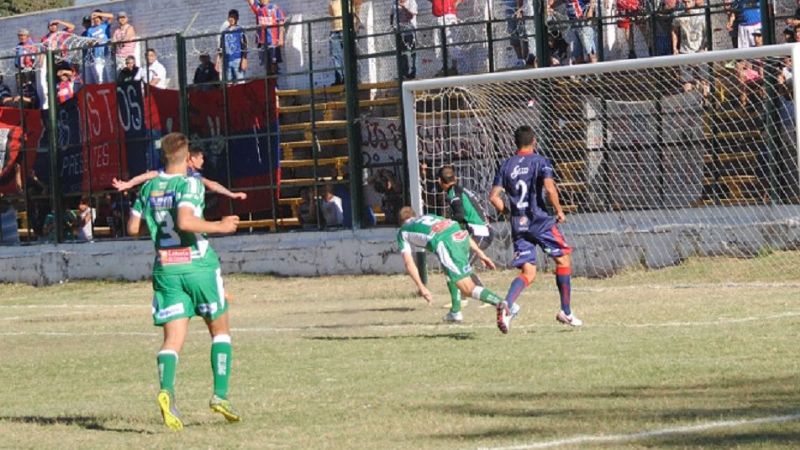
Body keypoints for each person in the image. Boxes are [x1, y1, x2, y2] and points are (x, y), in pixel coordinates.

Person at [126, 132, 241, 431]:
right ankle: (220, 395)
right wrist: (221, 226)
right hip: (198, 264)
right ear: (187, 155)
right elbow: (186, 222)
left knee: (172, 340)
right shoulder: (188, 183)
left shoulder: (149, 186)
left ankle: (166, 391)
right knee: (220, 330)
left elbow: (132, 227)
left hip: (166, 267)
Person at [488, 125, 582, 332]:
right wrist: (559, 210)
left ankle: (508, 305)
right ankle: (565, 311)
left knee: (528, 272)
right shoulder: (540, 161)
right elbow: (549, 189)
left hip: (518, 223)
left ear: (516, 143)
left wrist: (508, 212)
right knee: (563, 259)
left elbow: (493, 197)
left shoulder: (506, 165)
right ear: (534, 141)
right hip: (539, 221)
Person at [396, 206, 511, 330]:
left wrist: (421, 287)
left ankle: (501, 303)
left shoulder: (403, 231)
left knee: (467, 288)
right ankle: (455, 312)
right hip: (460, 236)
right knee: (450, 273)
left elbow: (409, 263)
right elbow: (454, 228)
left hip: (446, 244)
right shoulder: (429, 216)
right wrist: (479, 252)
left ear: (401, 221)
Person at [112, 148, 248, 201]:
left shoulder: (191, 175)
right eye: (201, 158)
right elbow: (149, 175)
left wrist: (231, 194)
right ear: (191, 159)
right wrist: (128, 183)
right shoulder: (185, 173)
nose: (203, 161)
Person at [437, 165, 494, 290]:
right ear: (455, 178)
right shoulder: (460, 190)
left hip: (480, 232)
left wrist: (446, 224)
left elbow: (459, 215)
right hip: (481, 231)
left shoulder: (453, 193)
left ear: (439, 181)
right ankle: (473, 293)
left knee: (460, 265)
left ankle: (475, 296)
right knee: (460, 263)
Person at [672, 0, 707, 92]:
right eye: (685, 2)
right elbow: (673, 29)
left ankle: (706, 103)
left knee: (704, 81)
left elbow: (707, 33)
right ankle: (690, 103)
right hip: (685, 52)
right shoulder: (679, 14)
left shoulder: (701, 15)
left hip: (700, 52)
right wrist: (675, 47)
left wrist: (703, 48)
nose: (687, 5)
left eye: (689, 2)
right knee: (686, 83)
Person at [247, 0, 286, 75]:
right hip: (262, 42)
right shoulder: (258, 8)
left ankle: (275, 85)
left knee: (274, 64)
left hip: (273, 41)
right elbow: (250, 1)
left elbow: (281, 23)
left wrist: (281, 38)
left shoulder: (275, 8)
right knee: (266, 65)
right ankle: (270, 85)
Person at [430, 0, 462, 75]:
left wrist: (456, 3)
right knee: (438, 43)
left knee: (451, 42)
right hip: (437, 16)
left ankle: (455, 66)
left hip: (449, 15)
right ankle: (442, 67)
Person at [391, 0, 418, 79]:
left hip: (410, 31)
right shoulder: (394, 2)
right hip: (400, 31)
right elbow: (392, 13)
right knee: (402, 53)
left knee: (412, 52)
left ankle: (414, 72)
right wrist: (391, 25)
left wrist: (403, 7)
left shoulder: (411, 2)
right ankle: (404, 73)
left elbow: (411, 16)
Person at [219, 9, 248, 82]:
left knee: (240, 81)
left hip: (237, 59)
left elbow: (244, 45)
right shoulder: (224, 31)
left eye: (233, 17)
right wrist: (219, 60)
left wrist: (244, 59)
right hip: (227, 60)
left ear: (237, 18)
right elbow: (221, 46)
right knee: (228, 83)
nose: (231, 19)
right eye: (230, 17)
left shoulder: (240, 30)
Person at [85, 10, 114, 84]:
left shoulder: (105, 25)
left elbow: (111, 16)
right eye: (94, 19)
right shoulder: (90, 30)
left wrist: (97, 13)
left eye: (98, 18)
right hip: (97, 55)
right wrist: (93, 42)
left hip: (107, 53)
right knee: (99, 75)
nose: (96, 20)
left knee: (108, 73)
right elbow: (89, 42)